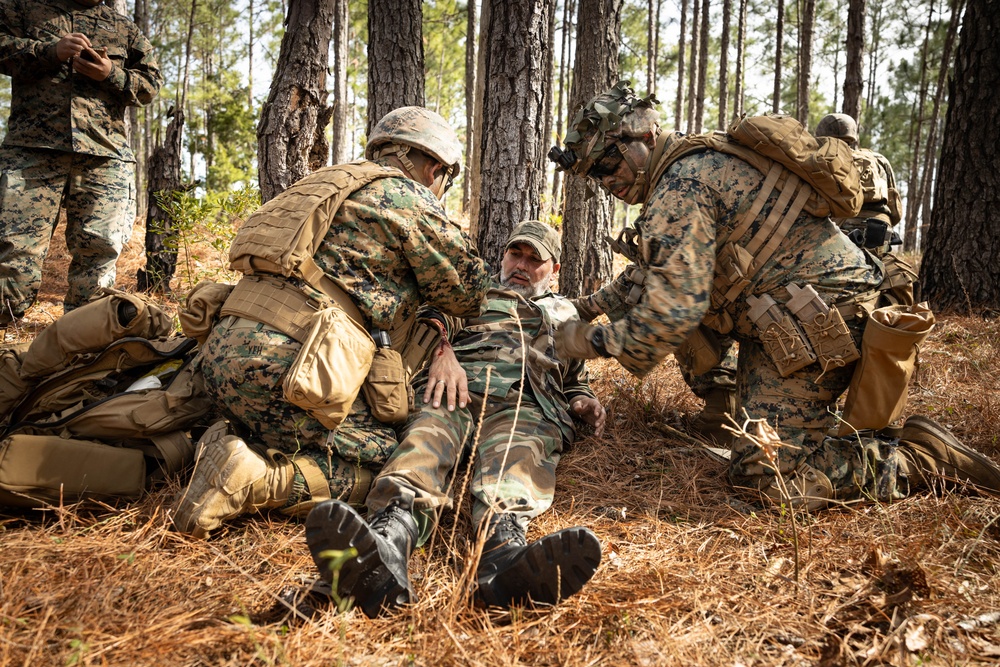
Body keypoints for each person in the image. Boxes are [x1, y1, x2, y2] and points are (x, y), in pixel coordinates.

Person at [547, 81, 1000, 509]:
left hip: (827, 327)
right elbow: (649, 277)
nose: (606, 181)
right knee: (754, 451)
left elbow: (670, 315)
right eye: (593, 175)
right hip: (787, 329)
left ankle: (921, 459)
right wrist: (583, 306)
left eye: (607, 164)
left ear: (644, 136)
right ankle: (766, 417)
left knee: (769, 482)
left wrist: (579, 339)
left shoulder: (681, 187)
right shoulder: (691, 166)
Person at [171, 106, 492, 539]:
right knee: (396, 460)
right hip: (290, 372)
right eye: (444, 177)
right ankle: (253, 480)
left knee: (289, 420)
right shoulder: (408, 198)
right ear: (434, 166)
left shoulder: (318, 186)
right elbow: (469, 294)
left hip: (219, 356)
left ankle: (228, 435)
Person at [304, 220, 606, 618]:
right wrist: (443, 351)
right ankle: (387, 543)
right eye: (516, 253)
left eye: (535, 260)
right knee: (424, 442)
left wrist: (584, 400)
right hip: (454, 392)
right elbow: (432, 320)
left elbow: (572, 380)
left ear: (553, 271)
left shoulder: (566, 314)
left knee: (517, 460)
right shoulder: (476, 293)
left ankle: (503, 559)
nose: (522, 264)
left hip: (524, 405)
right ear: (503, 255)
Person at [0, 0, 162, 324]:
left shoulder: (124, 29)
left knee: (99, 257)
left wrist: (111, 74)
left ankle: (82, 347)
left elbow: (151, 85)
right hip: (32, 150)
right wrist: (51, 51)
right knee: (13, 253)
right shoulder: (20, 8)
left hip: (103, 156)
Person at [815, 112, 917, 305]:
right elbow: (895, 209)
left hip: (838, 234)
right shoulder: (879, 159)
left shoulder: (820, 160)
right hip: (881, 230)